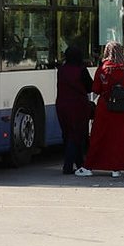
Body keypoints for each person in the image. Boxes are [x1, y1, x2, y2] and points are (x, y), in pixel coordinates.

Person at [75, 41, 124, 178]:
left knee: (99, 137)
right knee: (119, 139)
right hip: (123, 110)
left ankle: (89, 167)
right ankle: (116, 169)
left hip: (105, 109)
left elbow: (96, 89)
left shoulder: (103, 69)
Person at [56, 46, 93, 175]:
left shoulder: (61, 70)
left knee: (67, 133)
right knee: (77, 135)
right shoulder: (81, 70)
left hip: (61, 105)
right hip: (78, 106)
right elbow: (90, 87)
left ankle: (79, 163)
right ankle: (68, 166)